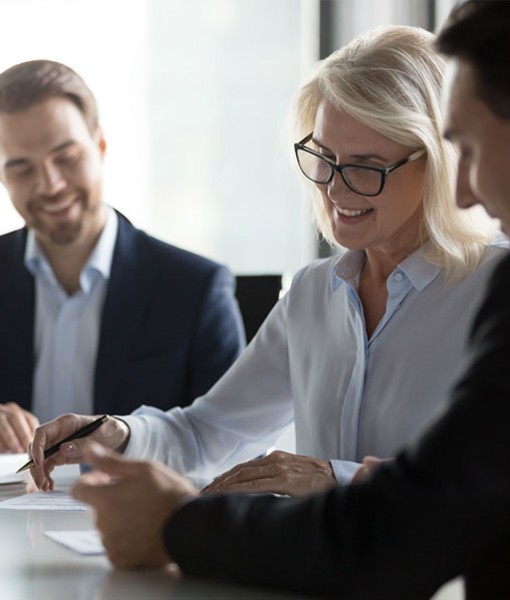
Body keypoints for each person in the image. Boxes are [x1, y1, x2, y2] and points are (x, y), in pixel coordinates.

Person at [69, 2, 510, 599]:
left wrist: (333, 478)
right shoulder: (312, 292)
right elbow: (209, 430)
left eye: (366, 168)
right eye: (323, 159)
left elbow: (456, 500)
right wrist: (114, 432)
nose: (335, 190)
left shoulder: (493, 289)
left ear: (435, 161)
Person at [0, 59, 245, 453]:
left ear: (100, 146)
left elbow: (234, 447)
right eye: (22, 169)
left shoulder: (194, 289)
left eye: (66, 158)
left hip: (145, 514)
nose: (50, 185)